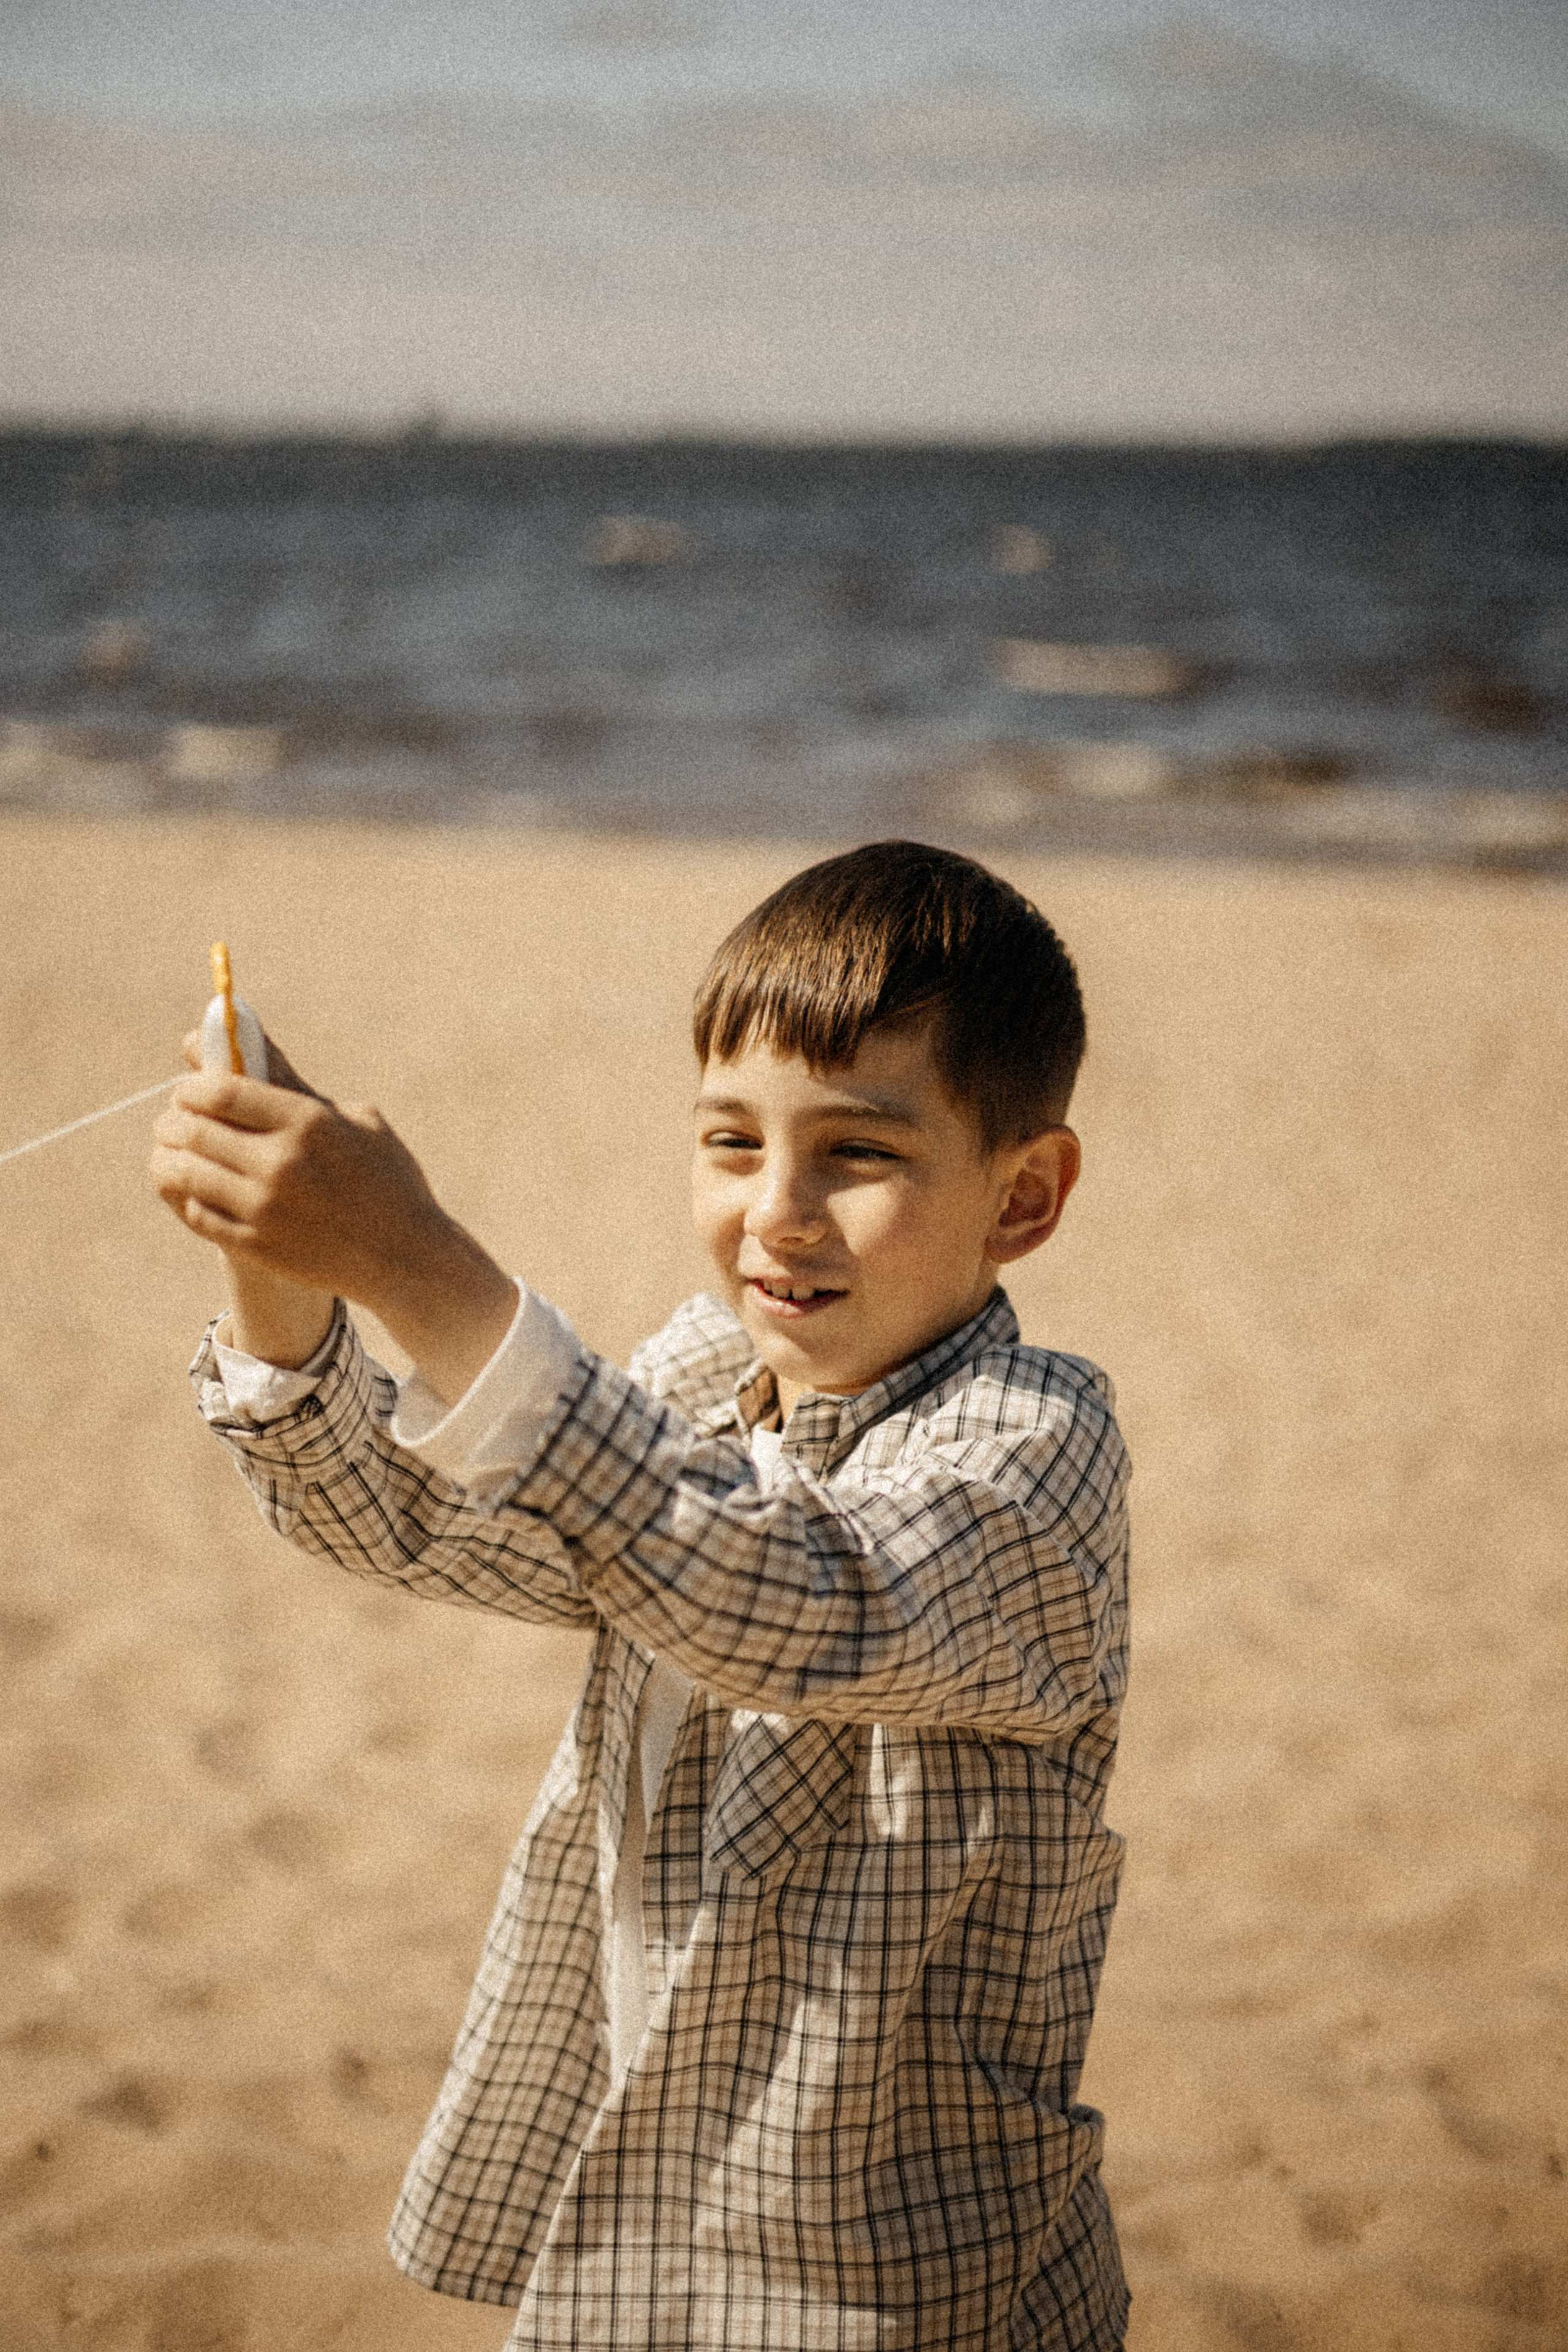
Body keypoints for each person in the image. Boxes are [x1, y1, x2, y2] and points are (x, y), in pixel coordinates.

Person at [151, 839, 1131, 2351]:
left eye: (857, 1153)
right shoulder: (692, 1383)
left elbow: (787, 1594)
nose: (777, 1213)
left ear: (1022, 1197)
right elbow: (408, 1519)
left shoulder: (1035, 1450)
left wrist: (420, 1262)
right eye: (731, 1143)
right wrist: (278, 1276)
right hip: (648, 2212)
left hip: (886, 2269)